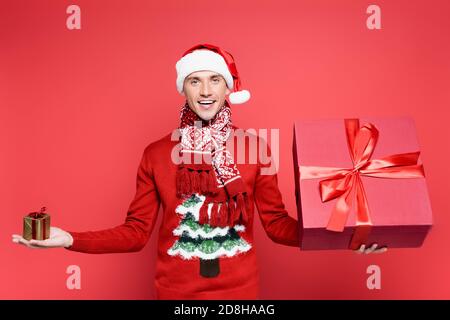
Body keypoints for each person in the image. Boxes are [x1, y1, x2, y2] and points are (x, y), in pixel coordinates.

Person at [12, 43, 387, 300]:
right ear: (183, 89)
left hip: (241, 297)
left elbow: (277, 225)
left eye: (214, 80)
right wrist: (68, 239)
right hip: (175, 296)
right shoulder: (157, 154)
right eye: (195, 80)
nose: (205, 90)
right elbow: (136, 233)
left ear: (228, 88)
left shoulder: (256, 149)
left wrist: (348, 237)